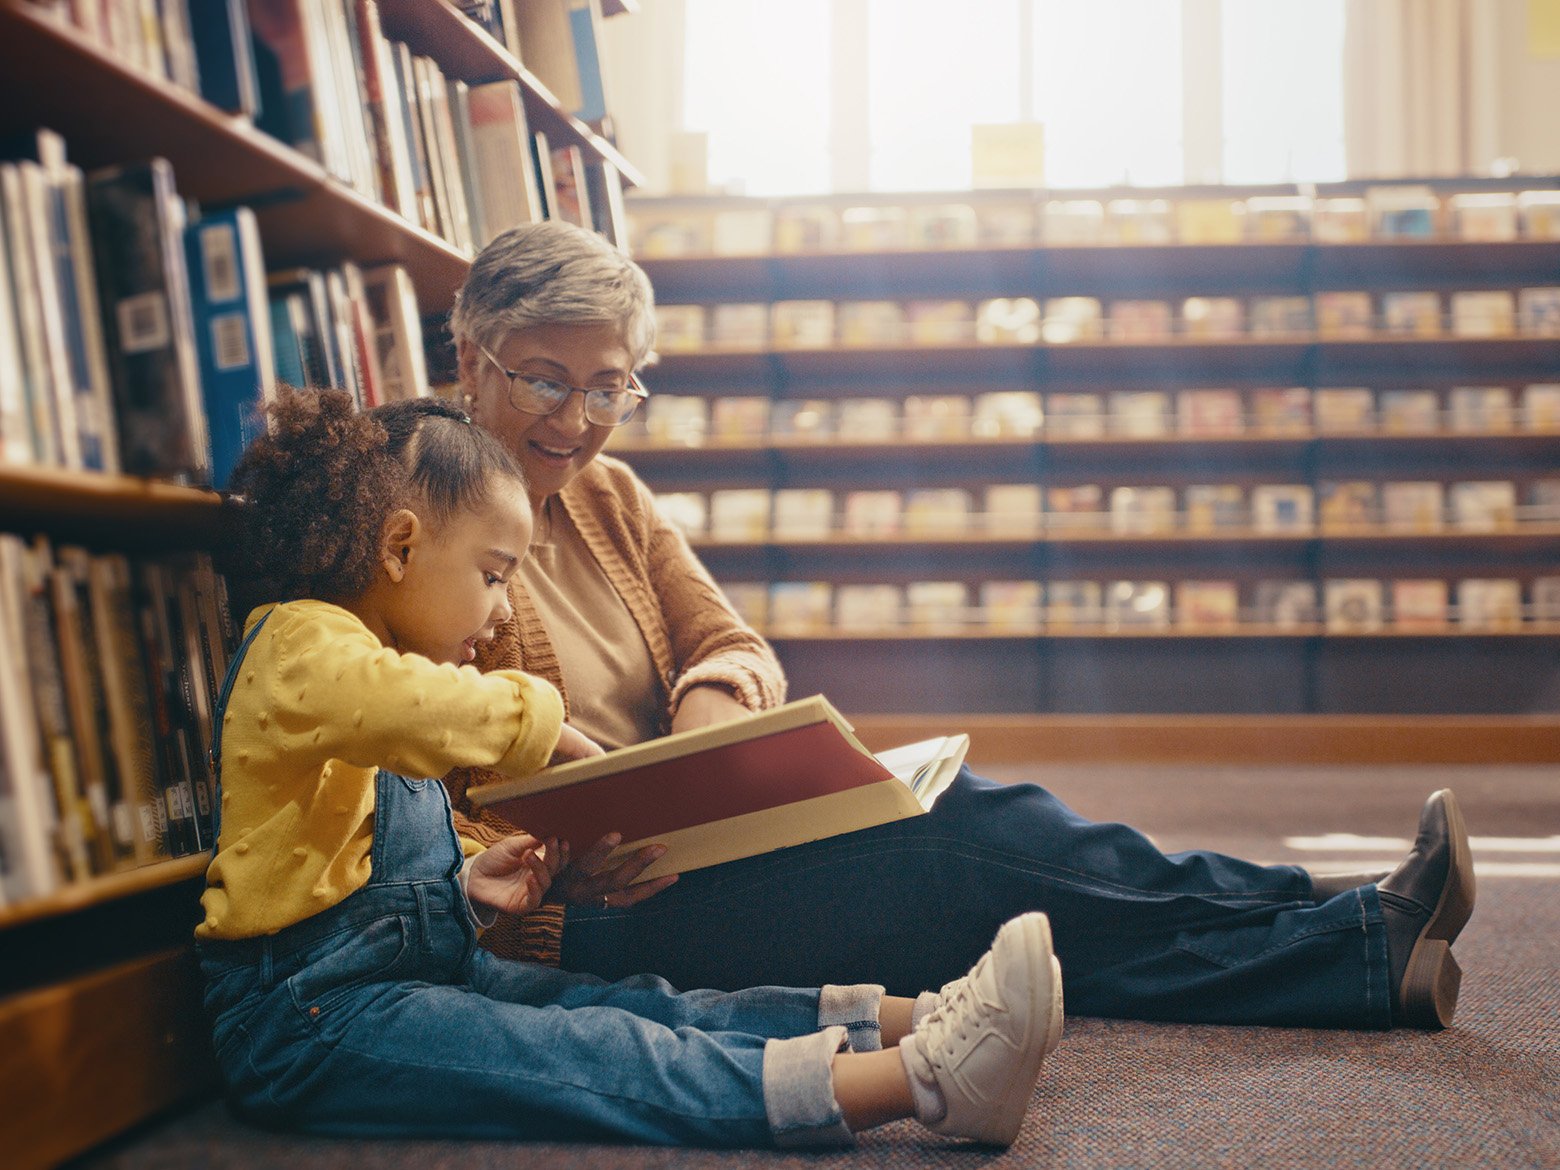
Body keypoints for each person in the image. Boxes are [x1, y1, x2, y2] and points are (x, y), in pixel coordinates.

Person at [444, 219, 1476, 1032]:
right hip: (592, 916)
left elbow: (729, 643)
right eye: (544, 379)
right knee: (955, 848)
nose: (576, 419)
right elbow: (409, 782)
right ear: (470, 356)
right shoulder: (420, 518)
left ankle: (1347, 937)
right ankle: (1337, 927)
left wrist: (698, 748)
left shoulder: (610, 494)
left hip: (712, 843)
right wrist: (555, 878)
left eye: (609, 386)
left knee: (971, 862)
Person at [196, 386, 1066, 1149]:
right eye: (495, 576)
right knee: (596, 1055)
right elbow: (409, 709)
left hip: (412, 971)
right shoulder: (303, 644)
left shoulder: (375, 660)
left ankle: (910, 1019)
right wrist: (551, 729)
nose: (500, 615)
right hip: (308, 1021)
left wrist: (462, 882)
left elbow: (339, 859)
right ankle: (923, 1084)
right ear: (397, 549)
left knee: (629, 1004)